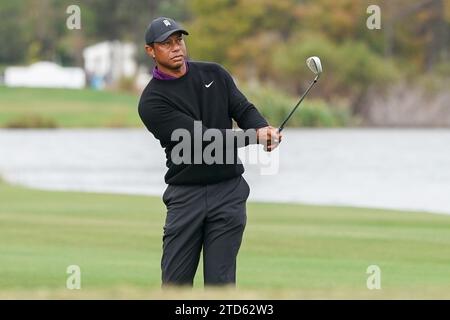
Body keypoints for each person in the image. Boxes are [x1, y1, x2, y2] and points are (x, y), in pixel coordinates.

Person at [138, 17, 282, 287]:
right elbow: (202, 140)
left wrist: (263, 130)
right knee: (174, 286)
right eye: (166, 44)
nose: (176, 47)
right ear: (150, 51)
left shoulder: (214, 74)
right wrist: (254, 136)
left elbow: (242, 109)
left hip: (228, 192)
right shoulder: (152, 101)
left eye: (179, 40)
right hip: (185, 197)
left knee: (221, 286)